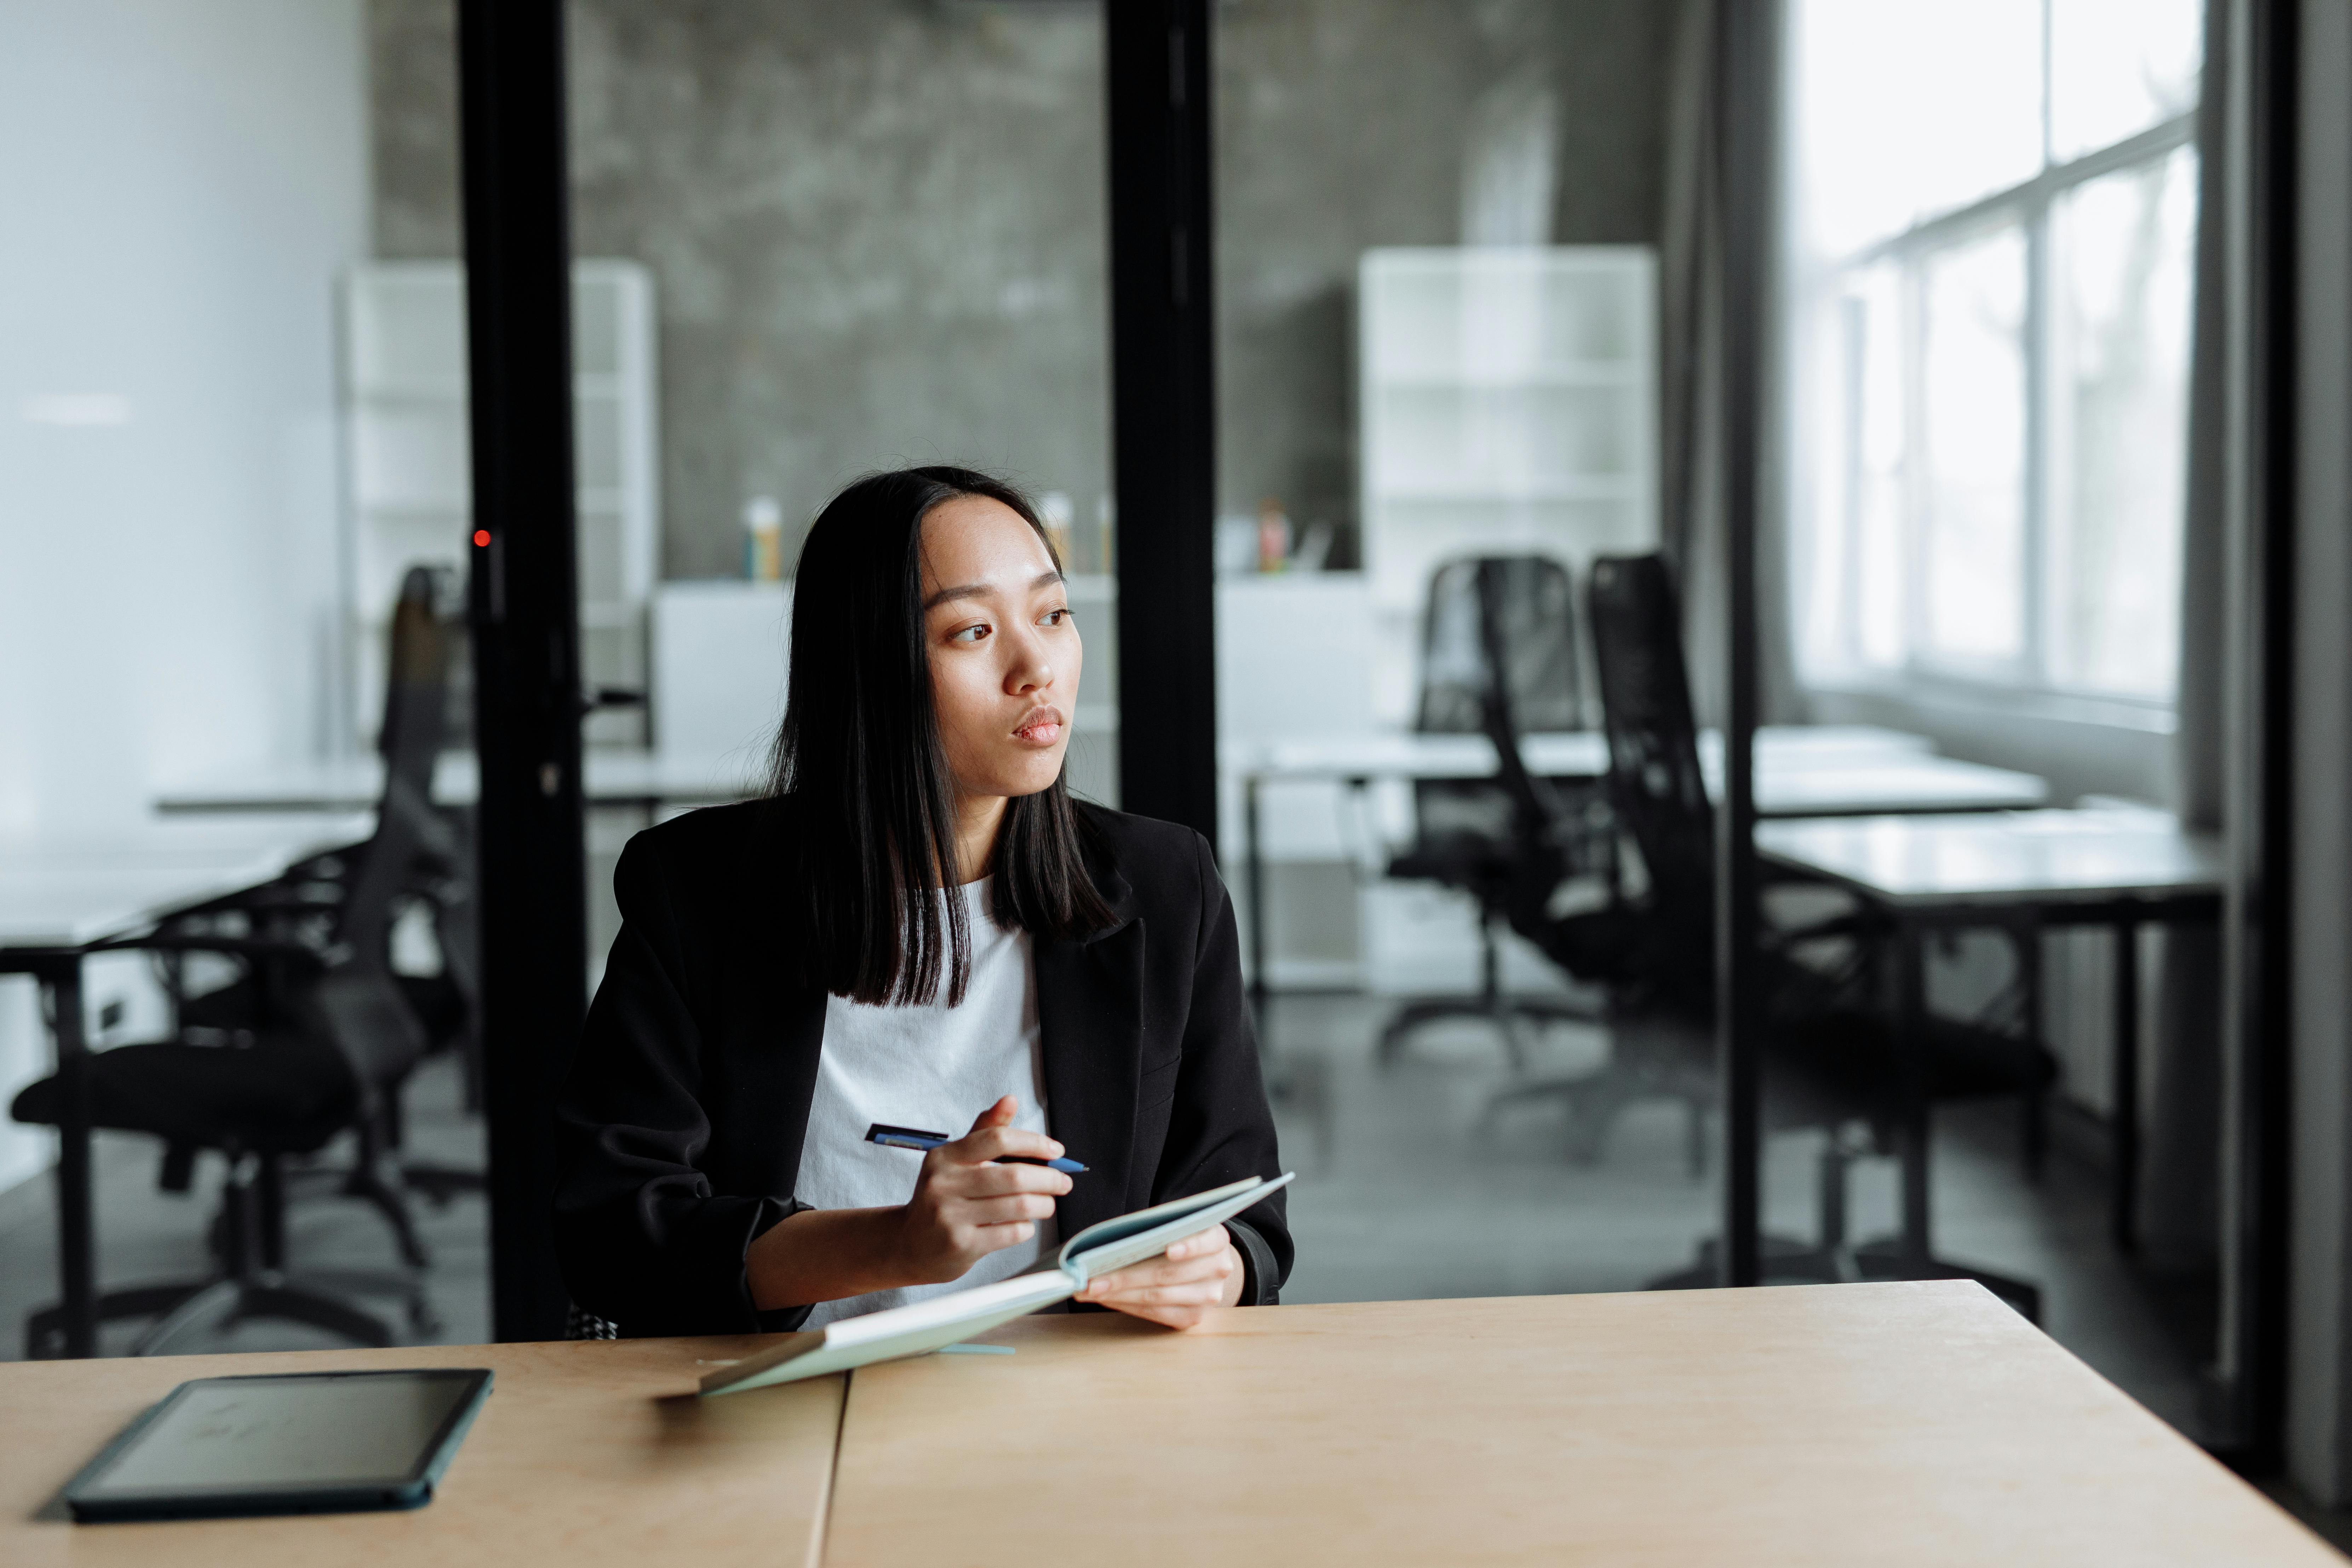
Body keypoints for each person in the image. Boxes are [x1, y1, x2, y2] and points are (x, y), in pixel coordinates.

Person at [553, 466, 1290, 1337]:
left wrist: (1220, 1263)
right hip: (780, 1416)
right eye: (973, 630)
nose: (1035, 668)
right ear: (865, 668)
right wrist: (894, 1243)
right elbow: (614, 1237)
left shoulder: (1165, 886)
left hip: (1080, 1410)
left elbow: (1247, 1213)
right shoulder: (697, 891)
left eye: (1052, 614)